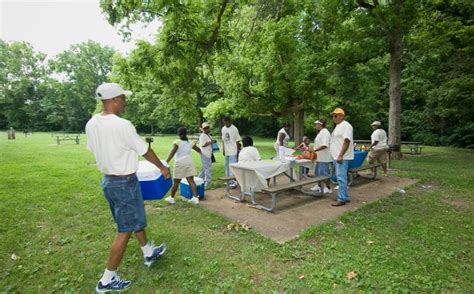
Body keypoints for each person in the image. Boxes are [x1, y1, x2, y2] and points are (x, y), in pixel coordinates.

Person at [86, 83, 170, 293]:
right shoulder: (122, 125)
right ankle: (106, 280)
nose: (125, 101)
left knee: (132, 219)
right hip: (124, 183)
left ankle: (148, 252)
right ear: (114, 99)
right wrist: (161, 166)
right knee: (124, 229)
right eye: (123, 97)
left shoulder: (92, 123)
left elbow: (95, 149)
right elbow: (144, 150)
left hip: (108, 181)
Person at [165, 127, 202, 205]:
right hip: (189, 161)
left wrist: (166, 161)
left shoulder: (177, 142)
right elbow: (199, 150)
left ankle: (171, 198)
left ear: (179, 134)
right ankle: (195, 198)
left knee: (176, 182)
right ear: (186, 134)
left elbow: (173, 152)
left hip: (180, 163)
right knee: (191, 180)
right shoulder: (190, 143)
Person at [329, 107, 354, 206]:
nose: (334, 118)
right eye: (333, 116)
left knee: (341, 178)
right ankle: (344, 196)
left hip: (342, 157)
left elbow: (346, 141)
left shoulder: (346, 126)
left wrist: (340, 155)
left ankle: (342, 199)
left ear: (342, 116)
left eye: (336, 115)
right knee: (340, 177)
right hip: (336, 157)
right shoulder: (338, 126)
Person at [310, 119, 333, 194]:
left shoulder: (325, 133)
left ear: (321, 124)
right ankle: (319, 186)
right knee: (317, 173)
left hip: (324, 158)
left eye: (317, 124)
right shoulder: (320, 132)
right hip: (319, 157)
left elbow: (325, 145)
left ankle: (328, 188)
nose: (315, 125)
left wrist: (315, 150)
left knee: (324, 174)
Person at [221, 116, 241, 189]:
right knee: (227, 166)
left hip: (233, 150)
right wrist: (223, 149)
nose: (225, 123)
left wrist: (238, 150)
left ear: (230, 121)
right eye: (224, 122)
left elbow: (237, 140)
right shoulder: (223, 129)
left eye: (226, 122)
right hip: (227, 151)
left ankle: (233, 181)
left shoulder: (234, 129)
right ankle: (228, 180)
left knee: (232, 166)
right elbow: (223, 140)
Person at [198, 122, 214, 187]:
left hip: (208, 153)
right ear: (203, 129)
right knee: (208, 168)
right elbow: (203, 144)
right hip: (205, 154)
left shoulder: (208, 135)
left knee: (204, 168)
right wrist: (211, 142)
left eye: (207, 128)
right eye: (205, 128)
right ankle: (208, 181)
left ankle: (199, 179)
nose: (206, 129)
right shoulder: (202, 136)